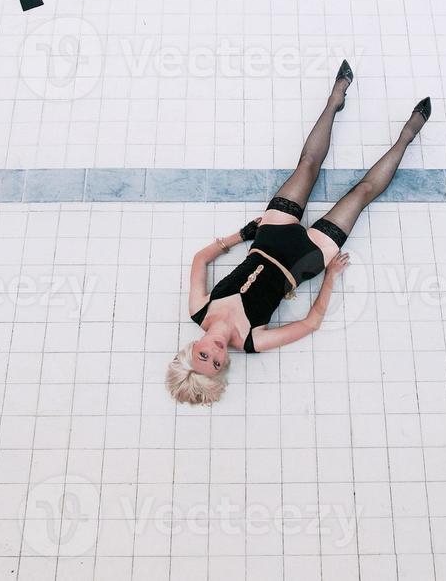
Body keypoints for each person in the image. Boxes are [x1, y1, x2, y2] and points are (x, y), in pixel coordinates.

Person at [166, 61, 431, 405]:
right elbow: (310, 324)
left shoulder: (199, 310)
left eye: (204, 357)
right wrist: (331, 276)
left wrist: (243, 234)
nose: (214, 353)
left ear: (191, 351)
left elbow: (200, 259)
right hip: (305, 260)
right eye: (218, 364)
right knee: (361, 193)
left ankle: (335, 98)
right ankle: (408, 134)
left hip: (268, 237)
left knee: (307, 163)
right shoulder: (251, 341)